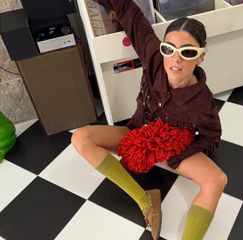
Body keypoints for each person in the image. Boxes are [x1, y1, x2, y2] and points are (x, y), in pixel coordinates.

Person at [71, 0, 228, 239]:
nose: (175, 59)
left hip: (171, 150)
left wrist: (178, 155)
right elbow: (131, 14)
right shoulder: (154, 57)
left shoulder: (202, 104)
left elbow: (211, 136)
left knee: (217, 180)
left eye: (187, 52)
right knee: (81, 138)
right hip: (136, 134)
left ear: (201, 57)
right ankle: (145, 200)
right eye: (169, 49)